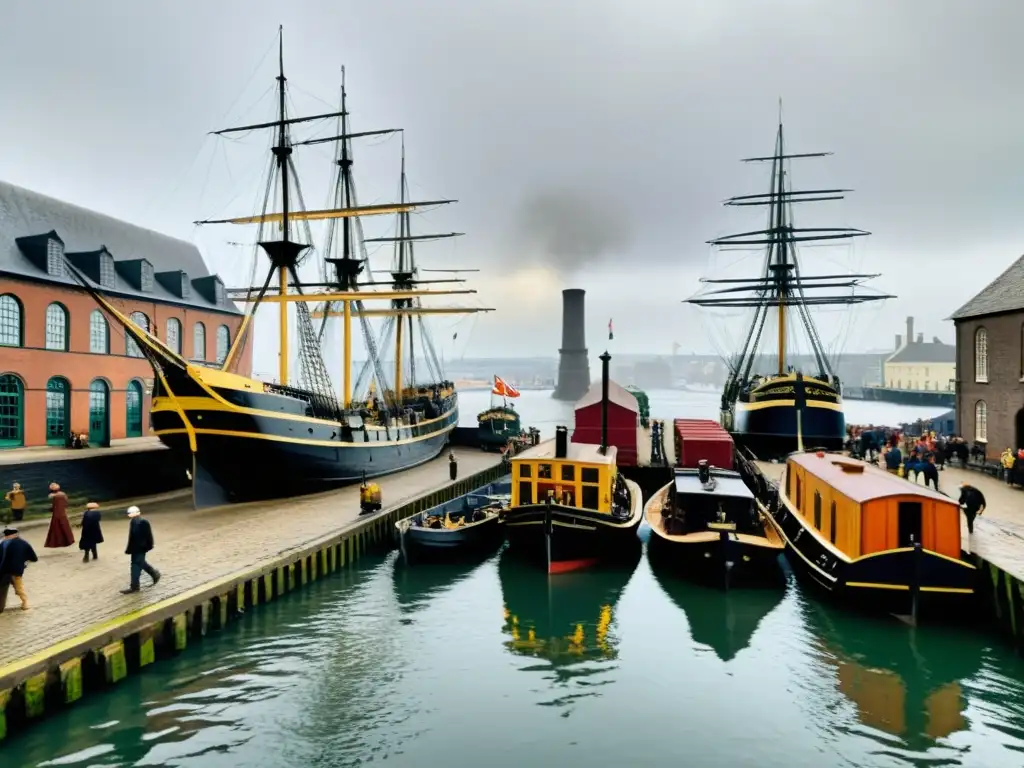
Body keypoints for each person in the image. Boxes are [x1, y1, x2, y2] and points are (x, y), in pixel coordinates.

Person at [121, 505, 160, 593]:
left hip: (141, 548)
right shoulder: (133, 522)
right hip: (135, 548)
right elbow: (132, 537)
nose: (128, 515)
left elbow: (148, 536)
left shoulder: (143, 522)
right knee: (135, 566)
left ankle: (154, 574)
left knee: (139, 563)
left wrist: (148, 546)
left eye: (129, 513)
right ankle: (135, 586)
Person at [0, 527, 38, 611]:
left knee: (18, 588)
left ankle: (25, 602)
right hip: (7, 570)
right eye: (6, 535)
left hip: (13, 570)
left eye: (8, 535)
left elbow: (33, 558)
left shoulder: (21, 544)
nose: (6, 537)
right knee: (13, 588)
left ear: (15, 535)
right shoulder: (4, 543)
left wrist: (24, 563)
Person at [44, 482, 75, 549]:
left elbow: (52, 505)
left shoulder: (53, 496)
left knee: (56, 527)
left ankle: (57, 542)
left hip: (56, 513)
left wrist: (51, 508)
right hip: (62, 512)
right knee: (64, 526)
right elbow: (66, 502)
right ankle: (68, 540)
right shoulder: (62, 494)